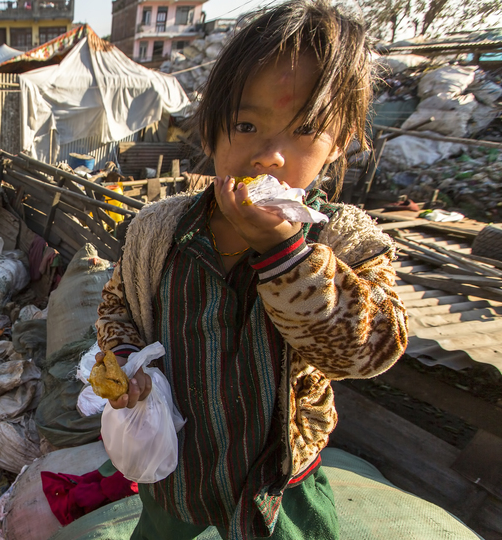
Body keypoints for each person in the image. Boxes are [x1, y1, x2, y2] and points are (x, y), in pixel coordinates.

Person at [95, 1, 409, 539]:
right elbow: (117, 306)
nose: (270, 156)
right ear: (212, 133)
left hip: (281, 484)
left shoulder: (344, 242)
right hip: (180, 473)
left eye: (305, 129)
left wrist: (288, 258)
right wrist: (125, 359)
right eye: (246, 124)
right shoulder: (158, 233)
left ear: (338, 148)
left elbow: (369, 350)